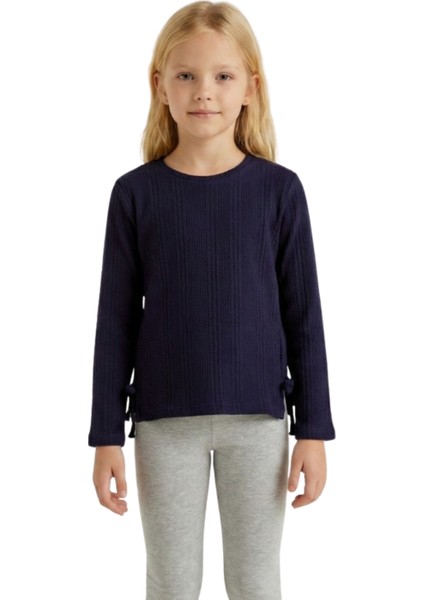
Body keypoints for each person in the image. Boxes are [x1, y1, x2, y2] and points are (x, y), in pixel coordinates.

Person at [88, 2, 336, 598]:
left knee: (255, 582)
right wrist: (105, 435)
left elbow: (304, 318)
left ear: (251, 87)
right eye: (186, 75)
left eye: (223, 75)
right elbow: (115, 321)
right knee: (172, 583)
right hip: (163, 425)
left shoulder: (279, 191)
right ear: (160, 86)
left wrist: (313, 430)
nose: (204, 91)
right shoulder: (135, 195)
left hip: (259, 423)